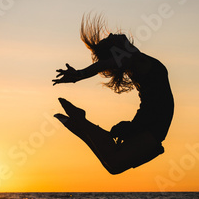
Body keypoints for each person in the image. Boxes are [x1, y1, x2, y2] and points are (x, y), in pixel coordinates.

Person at [52, 15, 174, 174]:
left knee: (113, 164)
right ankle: (80, 123)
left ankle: (80, 125)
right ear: (116, 54)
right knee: (113, 163)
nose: (110, 35)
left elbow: (106, 64)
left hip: (148, 124)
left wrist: (79, 75)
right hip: (152, 126)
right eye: (109, 41)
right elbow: (105, 64)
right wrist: (80, 74)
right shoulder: (132, 58)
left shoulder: (134, 61)